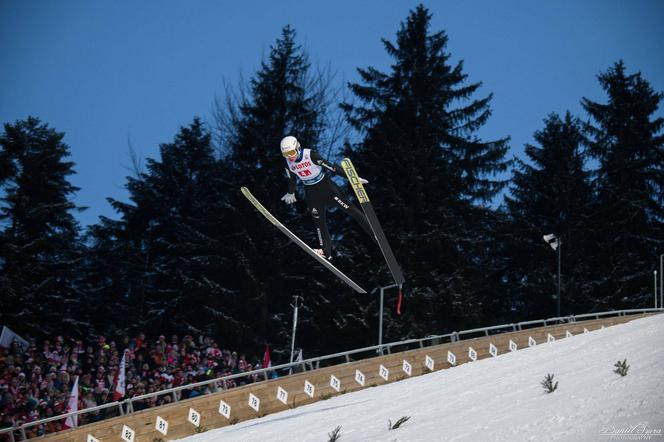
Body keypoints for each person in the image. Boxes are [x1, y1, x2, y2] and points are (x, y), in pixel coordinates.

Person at [279, 135, 375, 260]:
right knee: (319, 221)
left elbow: (333, 168)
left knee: (350, 209)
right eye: (285, 154)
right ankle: (325, 251)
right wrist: (291, 192)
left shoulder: (311, 155)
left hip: (326, 188)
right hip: (311, 192)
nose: (289, 156)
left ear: (298, 147)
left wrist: (353, 178)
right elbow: (292, 179)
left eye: (291, 152)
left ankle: (374, 234)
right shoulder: (288, 163)